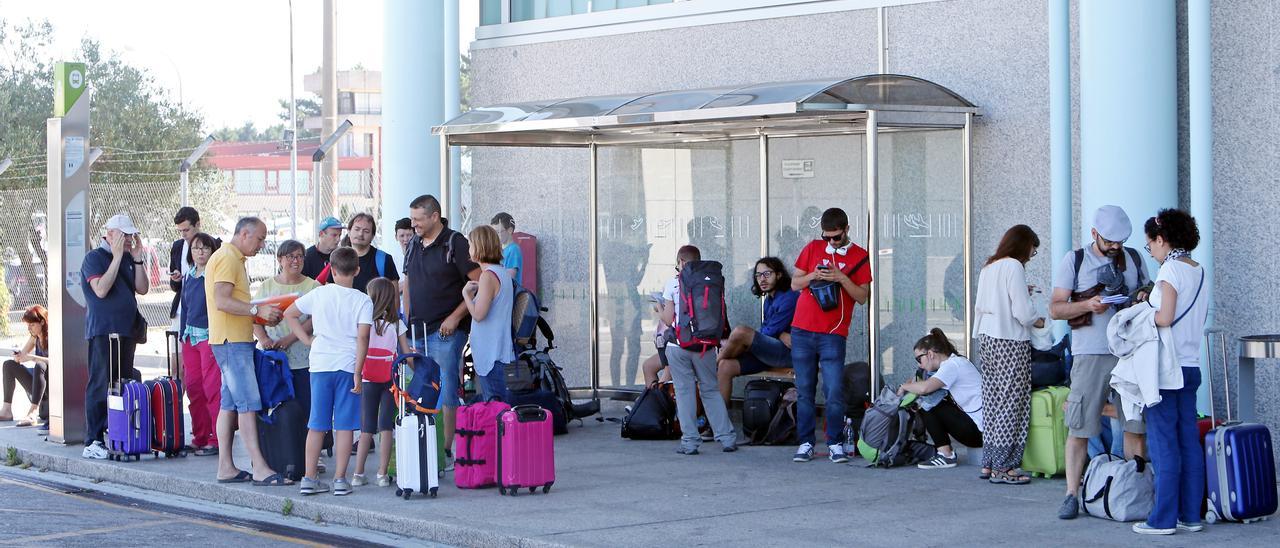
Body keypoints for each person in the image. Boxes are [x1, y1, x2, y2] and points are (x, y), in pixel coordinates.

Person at [1051, 205, 1150, 519]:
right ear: (1094, 234)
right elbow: (1055, 308)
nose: (1116, 247)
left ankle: (1136, 490)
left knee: (1135, 425)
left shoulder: (1133, 258)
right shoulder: (1075, 260)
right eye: (1109, 241)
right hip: (1090, 353)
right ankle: (1071, 495)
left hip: (1130, 353)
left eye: (1120, 241)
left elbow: (1148, 290)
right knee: (1080, 427)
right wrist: (1087, 305)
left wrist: (1142, 295)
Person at [1132, 209, 1207, 536]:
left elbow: (1164, 318)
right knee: (1188, 442)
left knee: (1163, 444)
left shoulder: (1170, 271)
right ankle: (1191, 515)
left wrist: (1142, 312)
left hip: (1165, 368)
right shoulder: (1197, 269)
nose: (1152, 251)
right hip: (1190, 365)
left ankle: (1162, 519)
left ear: (1162, 240)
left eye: (1151, 245)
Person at [284, 247, 372, 496]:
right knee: (344, 426)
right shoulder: (363, 300)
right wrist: (358, 371)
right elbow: (363, 337)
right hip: (347, 366)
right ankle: (341, 480)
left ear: (331, 270)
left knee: (317, 423)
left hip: (320, 364)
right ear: (357, 269)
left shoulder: (319, 293)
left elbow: (290, 313)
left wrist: (306, 339)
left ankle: (309, 478)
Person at [401, 195, 480, 469]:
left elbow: (478, 281)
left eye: (418, 220)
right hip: (417, 330)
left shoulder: (455, 242)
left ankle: (447, 449)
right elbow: (408, 282)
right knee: (419, 388)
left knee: (446, 385)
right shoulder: (413, 242)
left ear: (435, 216)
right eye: (412, 219)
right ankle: (424, 446)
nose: (414, 225)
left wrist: (456, 317)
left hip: (445, 330)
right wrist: (407, 321)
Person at [206, 216, 287, 485]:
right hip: (232, 342)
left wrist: (259, 315)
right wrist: (257, 310)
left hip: (231, 340)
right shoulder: (228, 258)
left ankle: (225, 467)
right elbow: (222, 300)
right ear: (243, 234)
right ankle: (261, 468)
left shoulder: (231, 258)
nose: (261, 244)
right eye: (260, 238)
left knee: (230, 404)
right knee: (248, 403)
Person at [788, 207, 872, 463]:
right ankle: (805, 442)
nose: (831, 242)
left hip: (833, 334)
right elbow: (794, 283)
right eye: (827, 237)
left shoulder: (859, 256)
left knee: (834, 390)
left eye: (836, 237)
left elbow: (862, 296)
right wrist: (814, 274)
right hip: (802, 329)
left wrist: (841, 277)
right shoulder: (813, 248)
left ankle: (835, 442)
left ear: (847, 230)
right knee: (804, 389)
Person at [973, 224, 1045, 485]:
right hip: (1010, 339)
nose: (1030, 256)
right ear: (1023, 245)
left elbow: (992, 301)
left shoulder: (989, 266)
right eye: (1032, 251)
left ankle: (989, 463)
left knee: (993, 401)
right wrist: (1037, 320)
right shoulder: (1014, 266)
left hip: (987, 337)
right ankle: (1005, 466)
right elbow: (1023, 313)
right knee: (1011, 403)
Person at [80, 214, 150, 459]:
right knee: (101, 382)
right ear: (109, 234)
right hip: (104, 330)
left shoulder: (130, 258)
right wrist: (117, 256)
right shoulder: (94, 258)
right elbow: (100, 289)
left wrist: (138, 259)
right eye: (124, 235)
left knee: (123, 383)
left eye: (130, 235)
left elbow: (142, 288)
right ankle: (93, 439)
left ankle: (119, 431)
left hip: (127, 330)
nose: (129, 240)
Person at [661, 245, 737, 455]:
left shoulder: (673, 283)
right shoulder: (710, 281)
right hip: (705, 346)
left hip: (678, 346)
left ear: (680, 262)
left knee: (685, 392)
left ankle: (690, 442)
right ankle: (727, 438)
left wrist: (659, 309)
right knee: (710, 390)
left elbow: (668, 320)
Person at [353, 277, 411, 488]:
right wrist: (419, 368)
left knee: (366, 426)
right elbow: (406, 354)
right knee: (386, 426)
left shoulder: (365, 323)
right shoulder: (397, 324)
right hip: (390, 380)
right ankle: (382, 474)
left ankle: (358, 474)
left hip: (368, 378)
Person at [716, 257, 799, 404]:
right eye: (758, 275)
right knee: (725, 366)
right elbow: (770, 330)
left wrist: (745, 343)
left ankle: (713, 363)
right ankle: (720, 424)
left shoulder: (790, 297)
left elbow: (769, 331)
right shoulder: (769, 300)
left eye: (767, 274)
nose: (762, 279)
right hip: (770, 352)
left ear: (779, 275)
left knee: (741, 332)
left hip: (788, 354)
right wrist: (780, 334)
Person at [898, 328, 984, 470]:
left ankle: (946, 455)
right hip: (981, 429)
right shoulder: (955, 362)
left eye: (919, 359)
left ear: (930, 354)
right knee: (930, 401)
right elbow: (922, 383)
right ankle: (944, 453)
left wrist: (904, 386)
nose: (919, 364)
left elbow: (924, 388)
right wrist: (913, 383)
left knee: (928, 406)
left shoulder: (952, 366)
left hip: (979, 432)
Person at [178, 233, 223, 456]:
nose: (200, 252)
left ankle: (216, 438)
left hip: (209, 336)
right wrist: (182, 335)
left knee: (212, 387)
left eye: (205, 248)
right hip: (190, 337)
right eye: (196, 248)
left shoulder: (214, 274)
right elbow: (185, 308)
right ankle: (200, 435)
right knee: (194, 386)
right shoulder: (189, 275)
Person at [462, 225, 516, 402]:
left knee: (494, 408)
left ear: (479, 247)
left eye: (470, 244)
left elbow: (478, 315)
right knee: (502, 407)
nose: (469, 249)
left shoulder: (487, 276)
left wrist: (466, 295)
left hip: (490, 354)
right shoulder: (502, 273)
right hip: (501, 351)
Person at [1, 305, 49, 427]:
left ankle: (33, 412)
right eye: (28, 325)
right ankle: (6, 410)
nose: (29, 328)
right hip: (37, 385)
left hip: (51, 386)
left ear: (42, 322)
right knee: (8, 365)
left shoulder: (53, 336)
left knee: (40, 365)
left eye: (32, 325)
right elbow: (23, 355)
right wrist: (18, 356)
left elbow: (57, 362)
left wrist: (32, 358)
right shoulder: (34, 337)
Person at [168, 207, 209, 322]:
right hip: (181, 309)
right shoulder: (177, 246)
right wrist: (176, 279)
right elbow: (174, 286)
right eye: (180, 231)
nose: (183, 235)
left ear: (198, 224)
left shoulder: (213, 244)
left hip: (204, 311)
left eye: (186, 230)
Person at [345, 213, 399, 293]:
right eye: (357, 229)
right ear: (349, 232)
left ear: (373, 236)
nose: (360, 234)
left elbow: (394, 298)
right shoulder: (339, 257)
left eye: (366, 231)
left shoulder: (384, 259)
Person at [302, 216, 344, 281]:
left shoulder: (341, 256)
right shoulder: (307, 256)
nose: (338, 239)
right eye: (334, 235)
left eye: (340, 235)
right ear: (321, 234)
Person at [490, 212, 523, 283]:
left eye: (498, 232)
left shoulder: (514, 249)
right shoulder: (499, 249)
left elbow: (510, 276)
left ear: (510, 230)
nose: (495, 236)